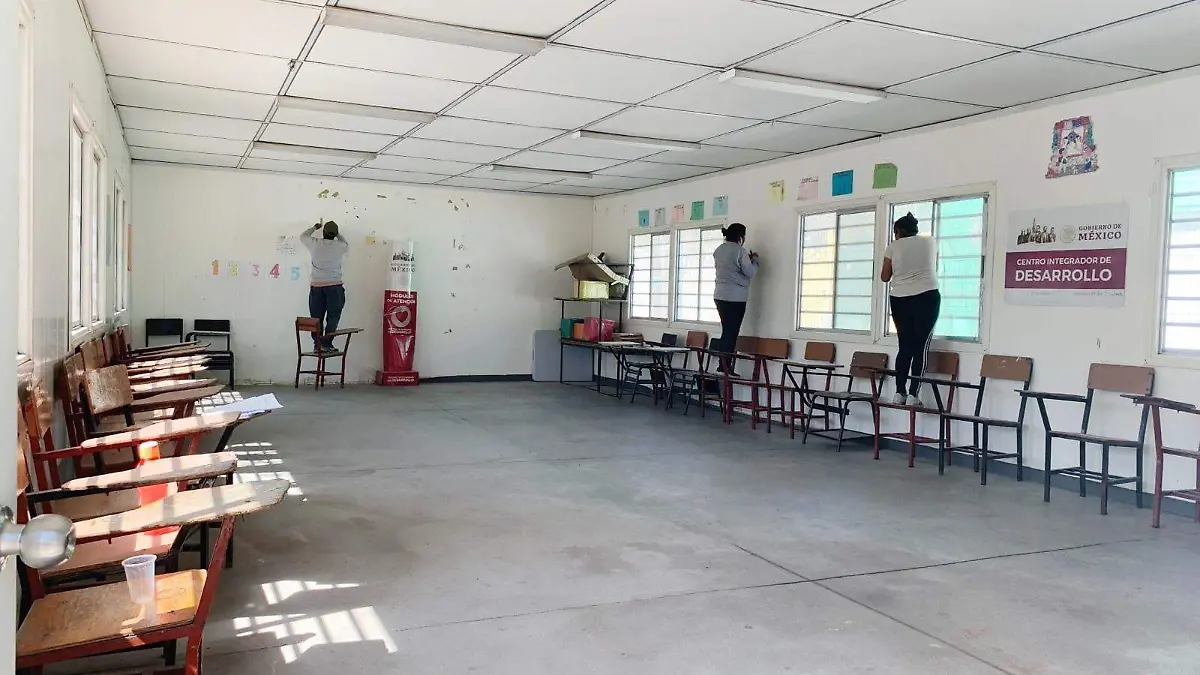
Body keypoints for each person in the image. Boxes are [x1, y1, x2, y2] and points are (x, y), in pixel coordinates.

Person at [880, 212, 940, 406]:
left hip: (900, 299)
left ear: (898, 231)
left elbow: (884, 276)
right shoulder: (930, 241)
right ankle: (914, 395)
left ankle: (899, 393)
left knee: (905, 346)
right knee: (920, 347)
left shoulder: (892, 247)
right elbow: (933, 265)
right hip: (927, 297)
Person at [712, 222, 759, 373]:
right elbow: (750, 272)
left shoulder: (719, 250)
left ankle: (723, 365)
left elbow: (728, 268)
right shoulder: (740, 251)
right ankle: (725, 367)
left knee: (726, 331)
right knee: (731, 333)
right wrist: (755, 261)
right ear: (741, 237)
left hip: (720, 295)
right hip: (736, 298)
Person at [302, 220, 349, 354]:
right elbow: (345, 243)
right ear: (335, 234)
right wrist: (338, 234)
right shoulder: (340, 246)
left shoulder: (314, 244)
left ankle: (317, 345)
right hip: (335, 286)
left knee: (316, 317)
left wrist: (314, 227)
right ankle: (327, 343)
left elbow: (303, 236)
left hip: (316, 286)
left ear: (323, 232)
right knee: (333, 316)